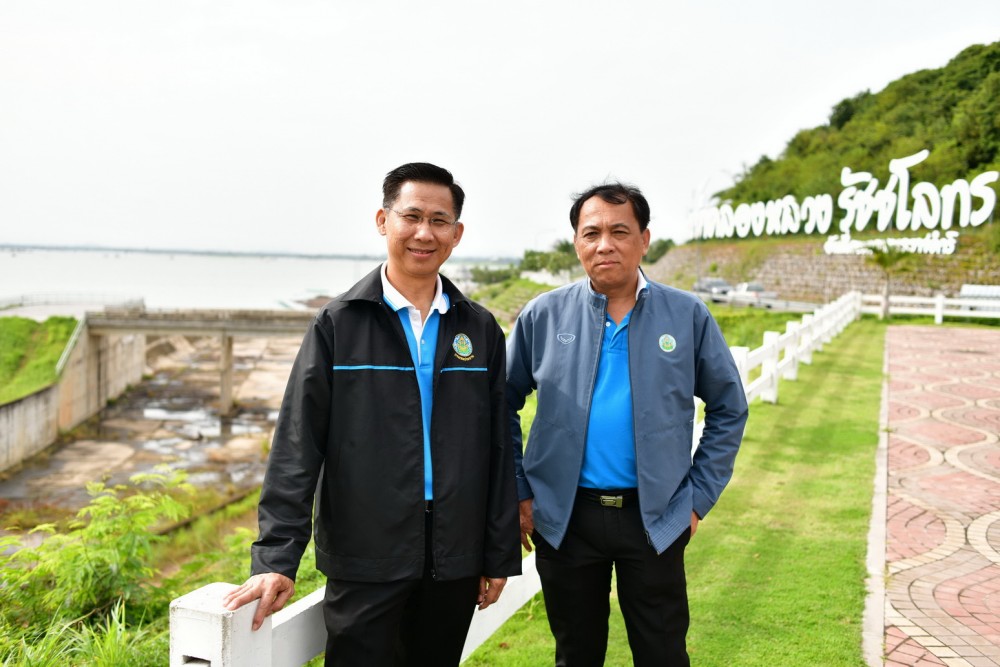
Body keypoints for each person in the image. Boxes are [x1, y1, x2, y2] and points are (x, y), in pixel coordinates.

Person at [223, 162, 521, 666]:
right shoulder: (339, 323)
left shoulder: (479, 328)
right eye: (412, 216)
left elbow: (497, 445)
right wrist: (275, 558)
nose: (424, 233)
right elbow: (298, 444)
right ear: (383, 221)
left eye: (439, 221)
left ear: (456, 234)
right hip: (364, 554)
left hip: (454, 556)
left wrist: (497, 553)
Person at [506, 182, 748, 666]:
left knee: (662, 652)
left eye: (620, 231)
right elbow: (499, 405)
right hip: (565, 518)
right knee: (576, 653)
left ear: (644, 240)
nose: (605, 245)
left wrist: (697, 499)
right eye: (591, 233)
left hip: (655, 517)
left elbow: (729, 408)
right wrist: (520, 489)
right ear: (576, 242)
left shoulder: (687, 315)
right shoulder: (544, 315)